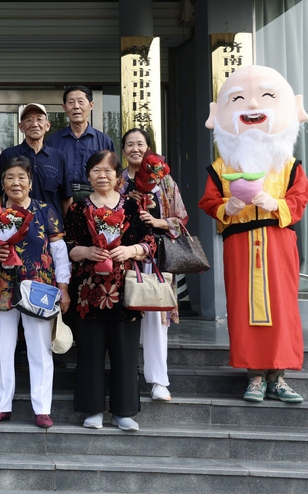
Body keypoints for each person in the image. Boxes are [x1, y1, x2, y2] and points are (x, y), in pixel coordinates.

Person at [199, 65, 308, 404]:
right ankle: (254, 377)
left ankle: (279, 377)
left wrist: (276, 203)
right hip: (240, 245)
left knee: (282, 308)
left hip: (278, 242)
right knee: (243, 308)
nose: (252, 107)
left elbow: (301, 197)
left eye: (264, 97)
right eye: (240, 99)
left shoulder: (289, 164)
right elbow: (208, 201)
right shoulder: (222, 167)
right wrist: (225, 209)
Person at [65, 150, 155, 431]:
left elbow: (151, 242)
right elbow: (65, 246)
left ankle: (123, 411)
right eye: (96, 170)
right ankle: (92, 410)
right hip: (87, 293)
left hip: (124, 291)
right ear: (88, 175)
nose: (102, 176)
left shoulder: (131, 206)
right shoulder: (78, 208)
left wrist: (131, 249)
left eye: (108, 171)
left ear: (118, 176)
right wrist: (85, 251)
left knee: (125, 354)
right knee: (90, 354)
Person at [0, 156, 71, 428]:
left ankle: (42, 408)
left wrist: (63, 287)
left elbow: (59, 252)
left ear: (30, 183)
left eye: (21, 177)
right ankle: (1, 405)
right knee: (1, 348)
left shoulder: (45, 211)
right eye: (9, 177)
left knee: (39, 348)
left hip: (38, 286)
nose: (15, 182)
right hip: (2, 287)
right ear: (2, 183)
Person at [119, 128, 189, 402]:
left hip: (157, 259)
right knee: (126, 320)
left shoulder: (165, 181)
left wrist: (159, 222)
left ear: (148, 148)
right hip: (125, 259)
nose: (135, 149)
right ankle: (125, 378)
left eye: (140, 144)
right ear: (123, 150)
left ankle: (159, 381)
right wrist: (125, 199)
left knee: (157, 322)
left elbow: (181, 218)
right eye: (129, 145)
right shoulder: (118, 180)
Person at [0, 103, 72, 227]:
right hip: (15, 227)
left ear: (47, 125)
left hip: (51, 228)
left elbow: (66, 197)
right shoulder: (9, 155)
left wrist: (67, 228)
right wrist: (1, 221)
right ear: (21, 127)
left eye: (39, 119)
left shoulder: (58, 156)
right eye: (29, 120)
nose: (34, 124)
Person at [45, 86, 116, 205]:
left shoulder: (104, 141)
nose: (76, 106)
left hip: (95, 198)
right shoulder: (52, 141)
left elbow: (112, 174)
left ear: (91, 105)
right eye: (71, 102)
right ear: (64, 107)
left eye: (81, 102)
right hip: (60, 199)